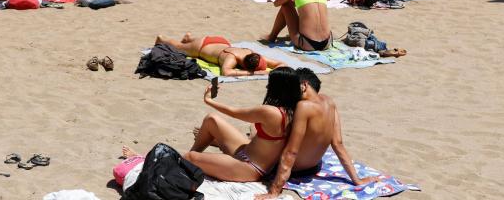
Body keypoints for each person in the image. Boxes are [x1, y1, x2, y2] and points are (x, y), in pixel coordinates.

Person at [123, 67, 301, 182]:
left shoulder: (270, 112)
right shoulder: (295, 109)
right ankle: (187, 162)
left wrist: (208, 100)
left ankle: (143, 160)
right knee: (211, 120)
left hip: (251, 168)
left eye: (270, 84)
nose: (267, 87)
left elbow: (236, 112)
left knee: (192, 157)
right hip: (247, 152)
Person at [255, 68, 376, 199]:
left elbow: (291, 152)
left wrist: (274, 191)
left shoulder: (303, 106)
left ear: (304, 85)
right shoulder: (329, 101)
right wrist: (357, 180)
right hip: (314, 167)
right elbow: (338, 143)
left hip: (294, 171)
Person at [155, 33, 284, 76]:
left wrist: (273, 71)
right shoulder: (232, 58)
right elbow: (226, 72)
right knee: (179, 47)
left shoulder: (253, 54)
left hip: (219, 42)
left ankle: (189, 38)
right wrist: (252, 73)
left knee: (187, 44)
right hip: (202, 47)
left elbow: (280, 64)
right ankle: (162, 39)